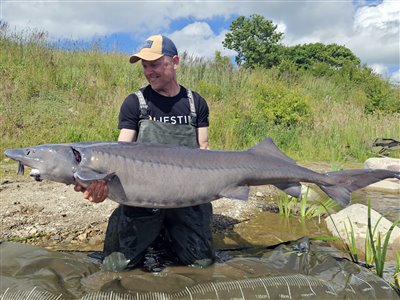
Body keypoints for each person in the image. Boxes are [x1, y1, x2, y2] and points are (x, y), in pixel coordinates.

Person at [74, 34, 215, 269]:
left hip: (186, 197)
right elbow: (119, 154)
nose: (149, 71)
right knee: (118, 268)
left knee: (202, 265)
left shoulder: (195, 103)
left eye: (155, 64)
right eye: (145, 66)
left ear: (175, 62)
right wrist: (100, 185)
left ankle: (172, 235)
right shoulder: (135, 103)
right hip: (143, 199)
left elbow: (203, 149)